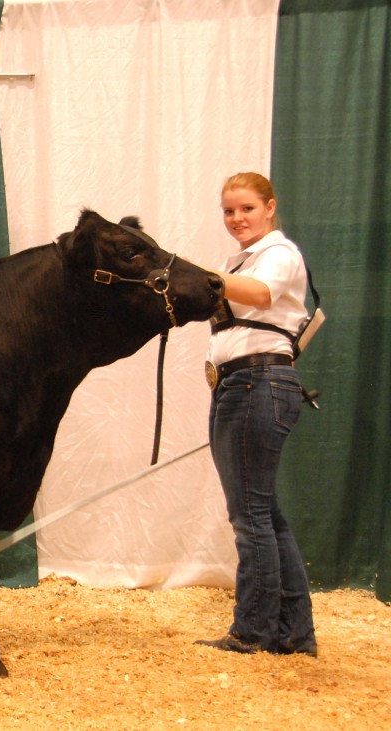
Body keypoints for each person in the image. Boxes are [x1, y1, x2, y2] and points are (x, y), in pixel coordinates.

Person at [196, 172, 318, 657]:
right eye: (229, 211)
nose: (237, 219)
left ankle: (254, 630)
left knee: (250, 517)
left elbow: (263, 294)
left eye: (246, 208)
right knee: (263, 513)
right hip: (241, 383)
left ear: (269, 207)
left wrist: (199, 276)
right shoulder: (242, 259)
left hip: (257, 382)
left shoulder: (279, 254)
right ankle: (292, 632)